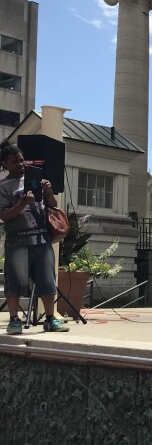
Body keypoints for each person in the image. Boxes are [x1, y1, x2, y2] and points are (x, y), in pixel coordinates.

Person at [0, 142, 69, 334]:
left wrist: (48, 191)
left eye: (22, 160)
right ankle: (14, 320)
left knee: (47, 280)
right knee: (15, 281)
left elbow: (52, 206)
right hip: (18, 242)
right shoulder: (2, 187)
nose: (20, 164)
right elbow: (4, 216)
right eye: (15, 162)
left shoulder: (35, 178)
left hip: (41, 239)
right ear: (4, 164)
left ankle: (50, 319)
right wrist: (23, 204)